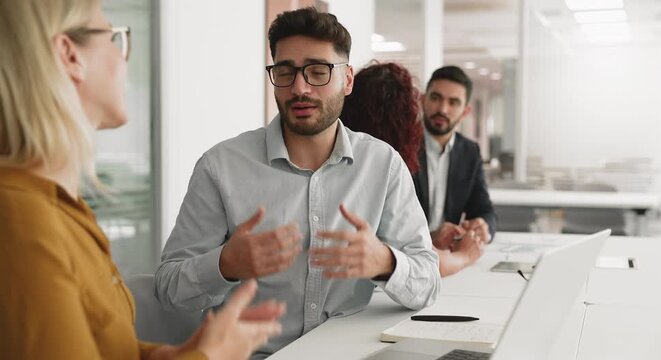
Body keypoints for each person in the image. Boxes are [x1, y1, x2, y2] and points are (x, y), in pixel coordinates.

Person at [0, 1, 284, 359]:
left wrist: (168, 354)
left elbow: (99, 348)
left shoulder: (60, 208)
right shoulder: (22, 222)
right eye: (115, 38)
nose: (124, 58)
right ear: (70, 56)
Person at [155, 7, 439, 358]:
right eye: (285, 72)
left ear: (348, 80)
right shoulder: (221, 167)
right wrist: (224, 264)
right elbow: (168, 288)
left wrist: (385, 261)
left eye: (318, 71)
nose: (299, 88)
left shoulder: (383, 165)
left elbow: (428, 282)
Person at [341, 62, 483, 277]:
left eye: (453, 102)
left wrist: (428, 239)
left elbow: (399, 244)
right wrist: (466, 255)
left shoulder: (349, 151)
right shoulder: (386, 163)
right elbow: (424, 267)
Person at [413, 66, 496, 258]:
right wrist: (430, 238)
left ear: (465, 111)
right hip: (407, 257)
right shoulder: (400, 145)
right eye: (436, 98)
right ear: (423, 100)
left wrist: (484, 227)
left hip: (448, 256)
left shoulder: (469, 152)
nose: (442, 109)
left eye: (453, 102)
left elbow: (484, 209)